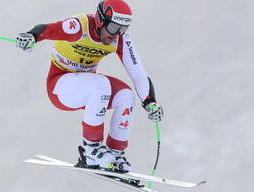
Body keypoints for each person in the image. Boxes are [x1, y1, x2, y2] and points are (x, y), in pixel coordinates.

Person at [16, 0, 163, 172]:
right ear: (101, 20)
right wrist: (31, 36)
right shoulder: (80, 27)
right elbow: (48, 29)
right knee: (101, 85)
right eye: (115, 27)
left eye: (123, 29)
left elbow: (138, 73)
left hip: (88, 90)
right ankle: (92, 150)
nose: (117, 34)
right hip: (60, 87)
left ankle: (115, 154)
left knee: (126, 96)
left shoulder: (120, 40)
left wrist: (150, 102)